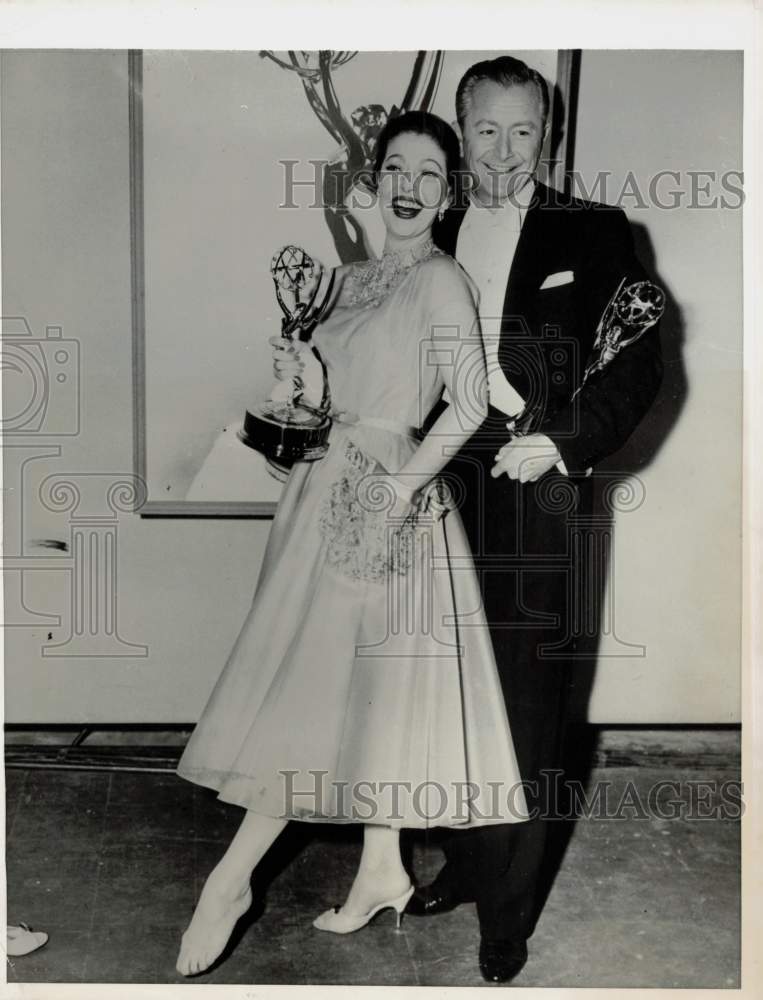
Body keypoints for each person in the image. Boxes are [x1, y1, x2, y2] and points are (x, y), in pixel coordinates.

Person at [174, 111, 530, 978]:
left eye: (431, 177)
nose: (410, 189)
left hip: (385, 500)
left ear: (448, 196)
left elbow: (473, 404)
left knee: (313, 685)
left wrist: (398, 490)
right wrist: (296, 390)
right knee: (347, 683)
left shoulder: (444, 281)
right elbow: (320, 405)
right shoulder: (344, 278)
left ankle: (231, 881)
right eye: (396, 170)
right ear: (373, 181)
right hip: (319, 491)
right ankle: (380, 868)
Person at [410, 56, 664, 983]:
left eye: (525, 132)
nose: (505, 152)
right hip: (433, 487)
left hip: (533, 487)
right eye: (486, 130)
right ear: (459, 124)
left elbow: (638, 367)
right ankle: (465, 864)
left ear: (546, 135)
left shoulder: (594, 233)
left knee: (522, 705)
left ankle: (506, 916)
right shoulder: (424, 225)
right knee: (434, 689)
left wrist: (559, 440)